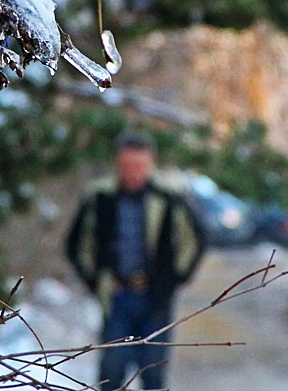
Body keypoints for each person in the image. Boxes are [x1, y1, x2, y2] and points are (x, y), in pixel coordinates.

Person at [65, 131, 206, 390]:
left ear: (151, 163)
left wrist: (176, 277)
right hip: (116, 296)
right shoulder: (100, 196)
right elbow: (77, 244)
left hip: (156, 297)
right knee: (111, 372)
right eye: (127, 165)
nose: (133, 173)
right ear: (117, 163)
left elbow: (195, 239)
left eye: (139, 166)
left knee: (153, 374)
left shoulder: (170, 195)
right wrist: (96, 281)